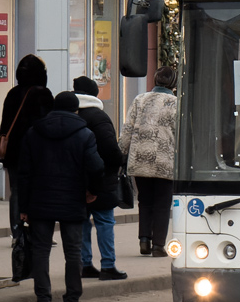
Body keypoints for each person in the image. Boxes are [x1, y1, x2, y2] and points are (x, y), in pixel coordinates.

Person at [14, 91, 104, 302]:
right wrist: (92, 192)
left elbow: (23, 174)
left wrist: (23, 207)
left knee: (41, 251)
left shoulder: (34, 132)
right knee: (73, 252)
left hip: (40, 200)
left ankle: (43, 301)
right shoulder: (85, 135)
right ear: (76, 110)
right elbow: (96, 167)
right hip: (73, 200)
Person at [73, 77, 127, 281]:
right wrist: (118, 163)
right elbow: (111, 149)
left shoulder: (72, 114)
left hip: (76, 179)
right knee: (104, 220)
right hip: (101, 177)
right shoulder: (99, 117)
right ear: (94, 94)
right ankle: (108, 265)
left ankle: (85, 264)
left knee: (83, 222)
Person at [120, 67, 178, 258]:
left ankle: (144, 240)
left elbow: (127, 129)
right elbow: (180, 134)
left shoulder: (139, 99)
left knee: (144, 201)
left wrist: (121, 154)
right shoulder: (175, 103)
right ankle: (158, 246)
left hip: (139, 159)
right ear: (173, 83)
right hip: (164, 160)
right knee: (162, 203)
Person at [0, 55, 54, 229]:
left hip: (13, 152)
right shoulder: (43, 94)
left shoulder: (12, 93)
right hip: (37, 152)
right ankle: (39, 228)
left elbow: (5, 123)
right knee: (40, 188)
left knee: (17, 191)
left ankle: (17, 230)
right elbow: (46, 125)